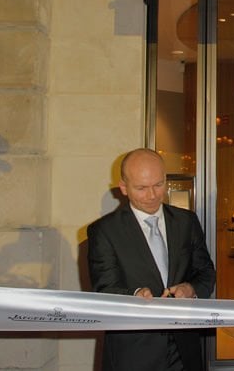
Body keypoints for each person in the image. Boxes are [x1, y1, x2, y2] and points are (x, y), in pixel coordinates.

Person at [87, 148, 216, 371]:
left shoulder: (187, 221)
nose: (152, 195)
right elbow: (104, 289)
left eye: (158, 185)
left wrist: (191, 289)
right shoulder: (104, 231)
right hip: (133, 351)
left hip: (185, 350)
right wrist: (135, 295)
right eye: (141, 188)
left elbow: (206, 272)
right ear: (123, 188)